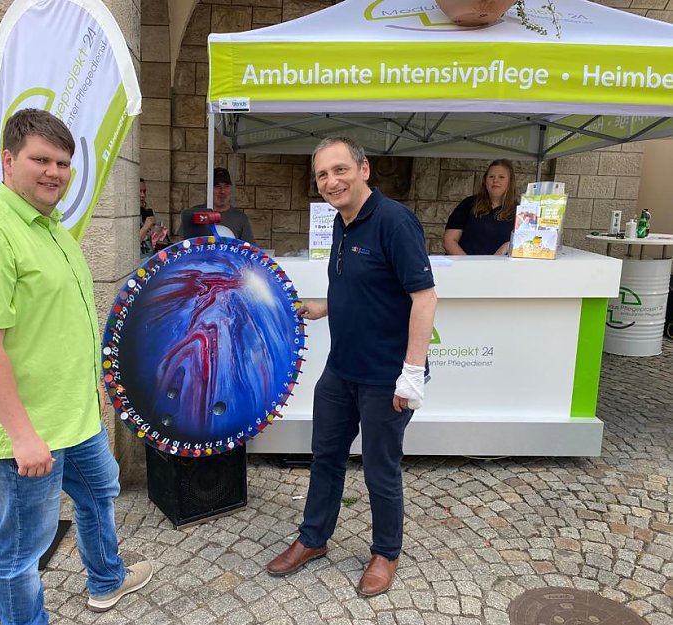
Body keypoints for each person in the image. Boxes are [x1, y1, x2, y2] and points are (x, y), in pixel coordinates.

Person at [0, 108, 152, 625]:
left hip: (74, 418)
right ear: (8, 160)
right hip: (27, 433)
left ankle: (106, 579)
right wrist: (22, 436)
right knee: (21, 548)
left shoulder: (52, 228)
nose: (54, 171)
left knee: (100, 492)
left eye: (63, 162)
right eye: (41, 159)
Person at [266, 137, 437, 597]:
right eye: (322, 174)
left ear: (364, 169)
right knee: (325, 457)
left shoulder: (395, 222)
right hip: (341, 370)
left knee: (381, 469)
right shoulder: (341, 223)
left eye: (340, 170)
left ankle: (386, 553)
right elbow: (367, 289)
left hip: (386, 375)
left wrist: (412, 372)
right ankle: (313, 539)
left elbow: (424, 297)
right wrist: (323, 308)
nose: (331, 181)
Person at [442, 159, 518, 255]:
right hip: (463, 267)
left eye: (501, 177)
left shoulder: (519, 212)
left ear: (510, 182)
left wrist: (508, 245)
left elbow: (525, 244)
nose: (495, 180)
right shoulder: (468, 204)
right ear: (485, 181)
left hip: (499, 268)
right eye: (491, 177)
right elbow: (449, 240)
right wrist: (470, 266)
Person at [180, 166, 255, 241]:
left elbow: (250, 249)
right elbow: (180, 245)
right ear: (208, 189)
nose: (222, 191)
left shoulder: (240, 218)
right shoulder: (195, 214)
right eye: (217, 186)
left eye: (226, 186)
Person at [139, 177, 169, 255]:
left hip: (151, 259)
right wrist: (145, 227)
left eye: (144, 191)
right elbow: (128, 245)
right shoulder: (124, 217)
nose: (142, 195)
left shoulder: (149, 213)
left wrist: (161, 234)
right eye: (139, 191)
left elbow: (163, 242)